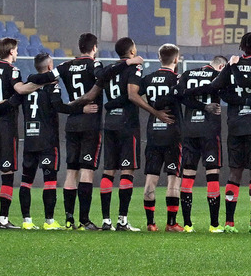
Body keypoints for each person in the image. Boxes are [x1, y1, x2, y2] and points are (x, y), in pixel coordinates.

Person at [64, 37, 166, 231]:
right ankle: (122, 220)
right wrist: (155, 112)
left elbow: (93, 92)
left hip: (109, 123)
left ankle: (106, 221)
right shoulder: (133, 67)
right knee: (127, 171)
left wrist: (71, 106)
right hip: (127, 124)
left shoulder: (108, 70)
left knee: (108, 171)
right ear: (132, 52)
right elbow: (131, 94)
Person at [0, 37, 56, 229]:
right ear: (11, 51)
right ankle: (3, 219)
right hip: (5, 128)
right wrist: (42, 81)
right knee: (7, 173)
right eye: (16, 50)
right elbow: (19, 91)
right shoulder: (12, 71)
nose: (17, 53)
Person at [203, 33, 251, 232]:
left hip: (235, 125)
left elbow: (215, 86)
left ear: (242, 47)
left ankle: (229, 223)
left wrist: (228, 97)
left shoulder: (232, 66)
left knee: (235, 173)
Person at [11, 53, 66, 230]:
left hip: (30, 139)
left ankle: (27, 221)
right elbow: (60, 107)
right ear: (50, 68)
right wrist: (81, 106)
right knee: (49, 180)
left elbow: (11, 103)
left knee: (26, 181)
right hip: (48, 140)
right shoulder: (52, 87)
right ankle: (49, 221)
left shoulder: (27, 87)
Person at [57, 34, 105, 230]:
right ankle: (84, 220)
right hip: (90, 124)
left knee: (71, 171)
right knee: (86, 171)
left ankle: (69, 219)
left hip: (72, 123)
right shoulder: (95, 65)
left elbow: (47, 77)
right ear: (94, 47)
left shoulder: (66, 66)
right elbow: (104, 77)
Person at [178, 54, 227, 231]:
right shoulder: (218, 77)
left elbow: (181, 97)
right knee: (212, 175)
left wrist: (198, 106)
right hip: (209, 131)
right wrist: (206, 107)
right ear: (221, 67)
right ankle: (214, 225)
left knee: (188, 176)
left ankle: (187, 224)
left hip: (190, 130)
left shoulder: (187, 74)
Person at [139, 45, 184, 232]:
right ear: (176, 59)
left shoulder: (148, 79)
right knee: (173, 178)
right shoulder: (177, 79)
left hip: (153, 132)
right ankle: (171, 223)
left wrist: (153, 111)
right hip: (173, 132)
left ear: (159, 58)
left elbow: (133, 95)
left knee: (151, 177)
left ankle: (150, 223)